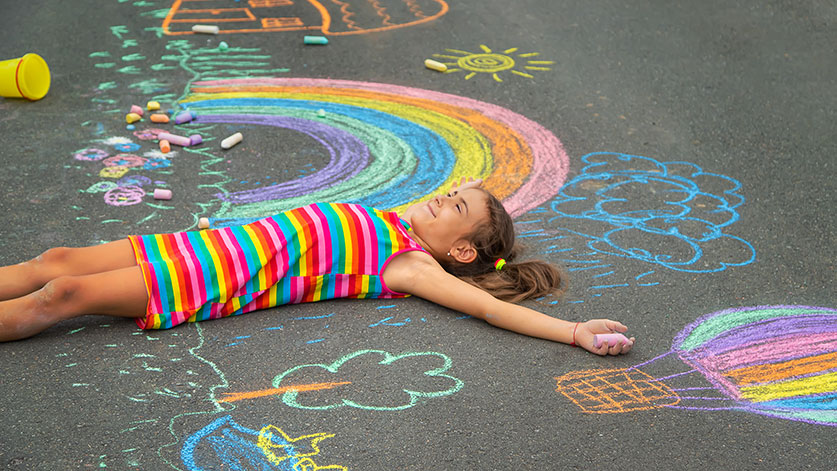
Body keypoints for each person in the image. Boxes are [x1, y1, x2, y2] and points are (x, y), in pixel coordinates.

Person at [0, 178, 634, 355]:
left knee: (64, 292)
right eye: (452, 191)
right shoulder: (394, 218)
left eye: (456, 205)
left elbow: (490, 307)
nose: (443, 197)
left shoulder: (407, 262)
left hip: (210, 278)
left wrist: (574, 332)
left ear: (461, 251)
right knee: (55, 260)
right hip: (199, 245)